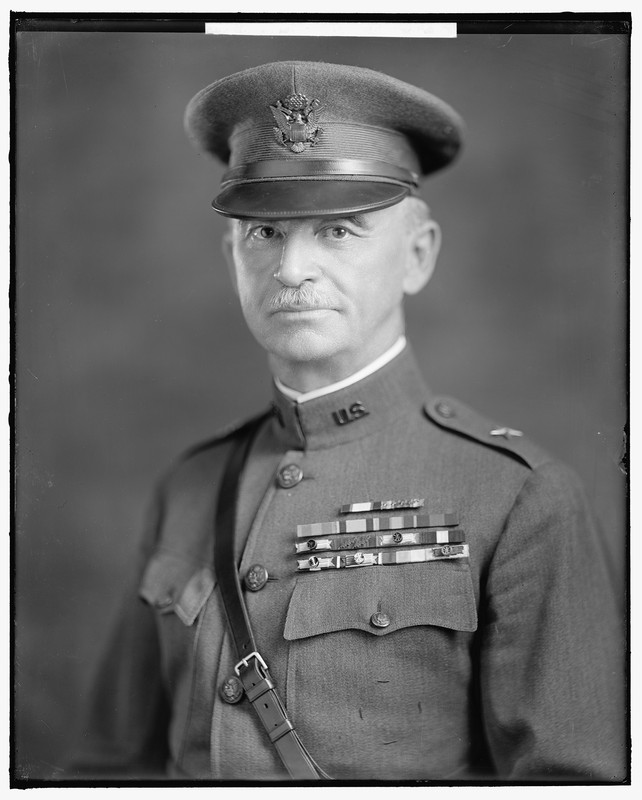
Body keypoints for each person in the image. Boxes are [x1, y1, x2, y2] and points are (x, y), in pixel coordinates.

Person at [67, 60, 625, 782]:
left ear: (416, 254)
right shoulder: (190, 486)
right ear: (231, 253)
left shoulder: (519, 499)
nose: (292, 267)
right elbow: (107, 773)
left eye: (338, 229)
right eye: (265, 231)